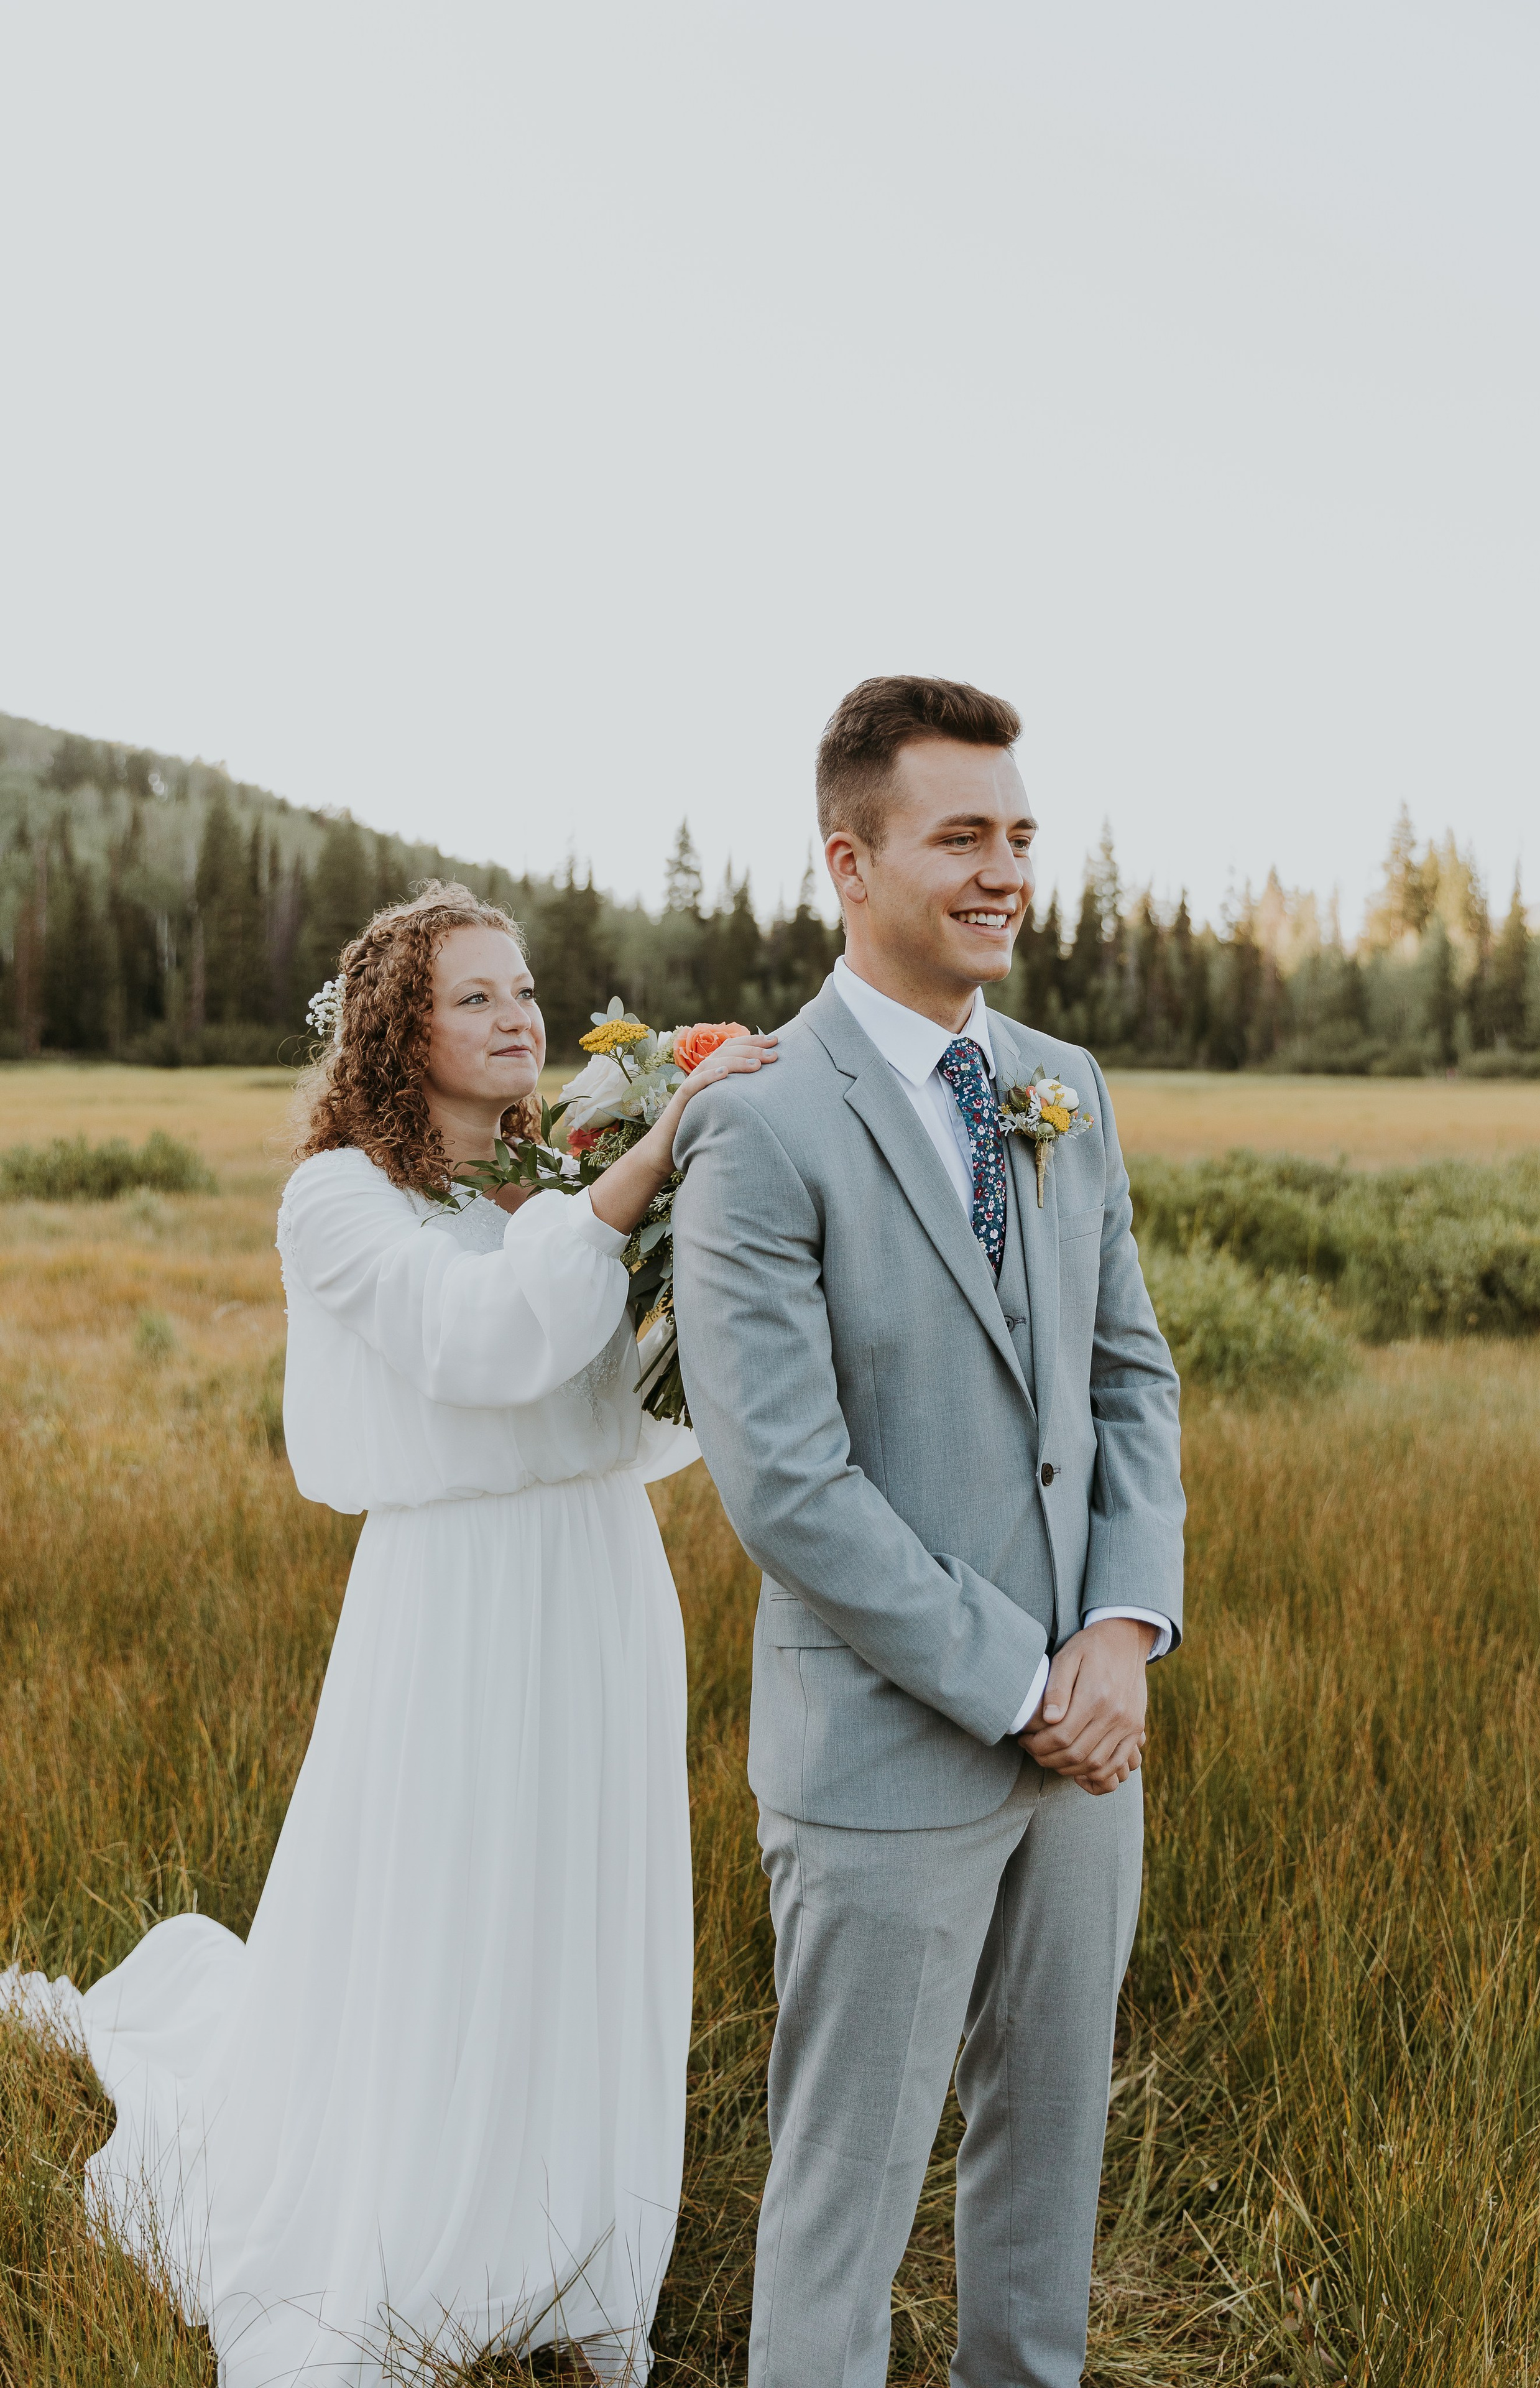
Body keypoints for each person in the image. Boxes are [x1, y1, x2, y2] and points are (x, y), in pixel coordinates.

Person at [1, 881, 775, 2387]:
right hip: (456, 1599)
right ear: (395, 1029)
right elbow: (475, 1345)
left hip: (600, 1579)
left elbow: (639, 1396)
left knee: (584, 1902)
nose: (520, 1017)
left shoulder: (560, 1172)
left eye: (526, 988)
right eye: (475, 995)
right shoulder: (340, 1197)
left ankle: (573, 2253)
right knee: (455, 1897)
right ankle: (423, 2239)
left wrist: (686, 1196)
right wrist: (647, 1169)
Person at [670, 678, 1184, 2388]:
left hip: (1089, 1747)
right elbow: (788, 1485)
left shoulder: (1063, 1087)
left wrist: (1119, 1635)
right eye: (962, 836)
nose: (1005, 872)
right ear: (851, 857)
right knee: (847, 2198)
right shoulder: (759, 1122)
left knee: (1048, 2172)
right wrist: (1018, 1675)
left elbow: (1132, 1378)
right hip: (892, 1751)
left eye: (1021, 836)